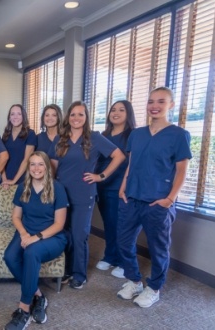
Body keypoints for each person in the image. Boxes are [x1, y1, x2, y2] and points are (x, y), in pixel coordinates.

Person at [116, 87, 191, 308]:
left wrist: (169, 199)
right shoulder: (137, 134)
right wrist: (122, 187)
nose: (154, 106)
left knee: (159, 248)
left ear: (171, 105)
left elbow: (181, 171)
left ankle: (154, 288)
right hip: (131, 197)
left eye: (160, 101)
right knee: (123, 242)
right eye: (150, 101)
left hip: (158, 201)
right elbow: (131, 164)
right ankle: (134, 281)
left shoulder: (179, 135)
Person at [49, 101, 125, 289]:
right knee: (62, 233)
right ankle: (64, 270)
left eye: (80, 114)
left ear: (86, 117)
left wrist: (101, 176)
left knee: (79, 234)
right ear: (68, 117)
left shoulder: (95, 138)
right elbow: (52, 168)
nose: (76, 118)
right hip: (62, 194)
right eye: (73, 114)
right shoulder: (60, 139)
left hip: (84, 194)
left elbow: (119, 156)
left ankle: (79, 274)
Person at [3, 151, 68, 330]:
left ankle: (24, 309)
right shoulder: (23, 187)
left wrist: (35, 238)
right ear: (28, 167)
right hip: (27, 231)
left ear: (46, 167)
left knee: (31, 252)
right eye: (32, 164)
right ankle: (39, 296)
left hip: (52, 236)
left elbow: (59, 224)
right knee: (9, 256)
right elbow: (16, 216)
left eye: (40, 164)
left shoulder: (57, 187)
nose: (36, 168)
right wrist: (24, 234)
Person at [95, 100, 136, 279]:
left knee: (122, 226)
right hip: (103, 186)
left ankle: (123, 262)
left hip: (120, 186)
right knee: (109, 224)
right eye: (113, 110)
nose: (116, 113)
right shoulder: (103, 135)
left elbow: (132, 163)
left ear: (128, 114)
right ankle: (110, 256)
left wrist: (125, 185)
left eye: (121, 110)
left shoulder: (132, 135)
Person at [1, 104, 37, 188]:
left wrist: (14, 180)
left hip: (22, 179)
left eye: (19, 114)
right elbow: (2, 158)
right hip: (5, 178)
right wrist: (4, 179)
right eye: (12, 114)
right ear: (9, 117)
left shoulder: (30, 134)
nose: (15, 117)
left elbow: (26, 160)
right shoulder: (6, 135)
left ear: (23, 116)